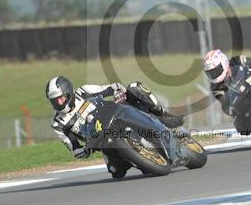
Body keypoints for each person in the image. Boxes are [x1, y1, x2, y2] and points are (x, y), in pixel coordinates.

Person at [45, 76, 184, 179]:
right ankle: (145, 158)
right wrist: (85, 150)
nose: (58, 103)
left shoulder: (83, 92)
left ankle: (162, 115)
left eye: (61, 98)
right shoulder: (59, 125)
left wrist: (118, 91)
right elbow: (74, 149)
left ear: (68, 92)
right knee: (116, 172)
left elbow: (111, 88)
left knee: (135, 87)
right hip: (103, 142)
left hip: (118, 114)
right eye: (54, 101)